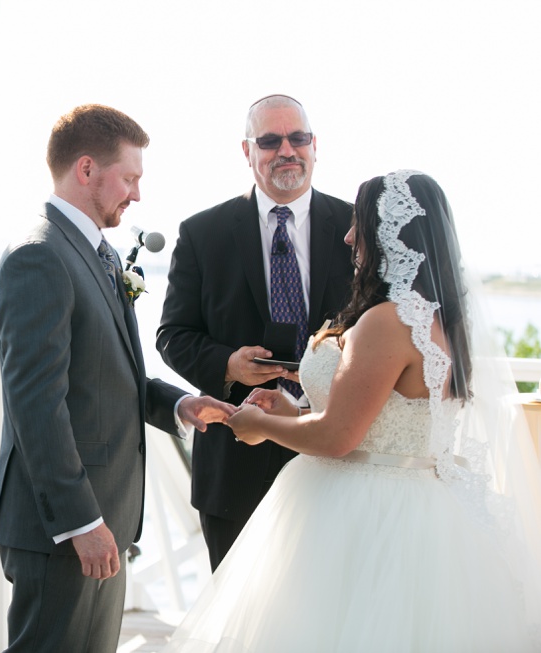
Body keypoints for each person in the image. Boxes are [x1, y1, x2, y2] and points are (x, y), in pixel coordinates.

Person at [164, 170, 541, 652]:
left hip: (367, 514)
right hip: (419, 500)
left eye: (357, 224)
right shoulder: (439, 318)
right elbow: (377, 425)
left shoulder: (387, 322)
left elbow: (339, 437)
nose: (347, 237)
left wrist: (261, 425)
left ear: (388, 232)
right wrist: (291, 412)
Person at [0, 104, 237, 653]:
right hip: (65, 529)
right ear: (85, 170)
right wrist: (81, 523)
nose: (137, 194)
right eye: (129, 178)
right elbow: (36, 404)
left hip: (105, 517)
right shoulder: (39, 256)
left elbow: (108, 375)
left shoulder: (91, 250)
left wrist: (180, 406)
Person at [156, 94, 355, 571]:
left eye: (298, 138)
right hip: (234, 466)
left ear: (314, 145)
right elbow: (172, 334)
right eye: (269, 141)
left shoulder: (356, 226)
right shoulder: (203, 233)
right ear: (247, 151)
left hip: (338, 459)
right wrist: (227, 364)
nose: (287, 150)